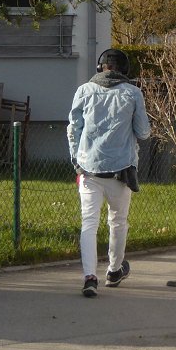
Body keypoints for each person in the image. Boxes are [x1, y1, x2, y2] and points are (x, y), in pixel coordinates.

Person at [66, 48, 151, 297]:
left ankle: (90, 277)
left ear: (100, 67)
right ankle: (114, 270)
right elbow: (144, 132)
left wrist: (76, 161)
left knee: (88, 224)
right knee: (118, 222)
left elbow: (73, 129)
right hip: (121, 171)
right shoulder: (133, 93)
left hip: (89, 170)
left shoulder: (84, 90)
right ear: (125, 70)